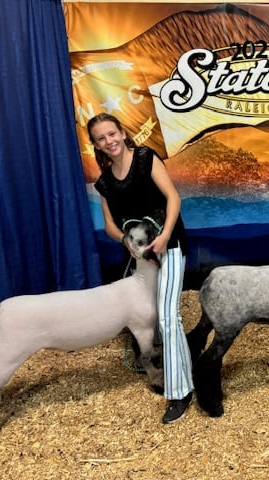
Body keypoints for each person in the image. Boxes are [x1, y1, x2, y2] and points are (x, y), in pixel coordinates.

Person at [87, 113, 194, 422]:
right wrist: (125, 240)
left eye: (112, 133)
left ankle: (179, 391)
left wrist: (163, 237)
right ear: (95, 144)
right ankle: (175, 370)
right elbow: (108, 225)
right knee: (155, 319)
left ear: (123, 132)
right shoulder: (105, 182)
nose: (110, 141)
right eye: (101, 138)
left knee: (168, 315)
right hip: (140, 257)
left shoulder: (146, 157)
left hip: (169, 246)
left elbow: (173, 198)